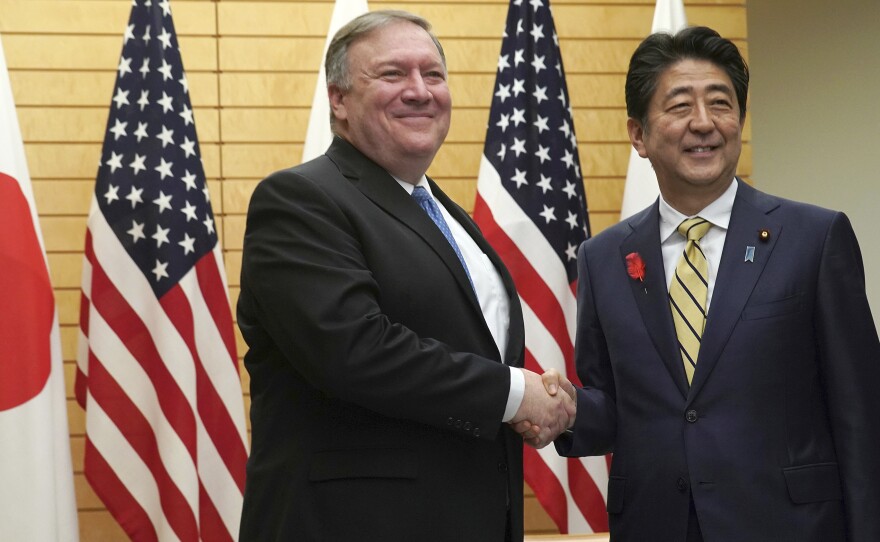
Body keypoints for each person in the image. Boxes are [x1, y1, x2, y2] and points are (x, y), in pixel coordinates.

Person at [236, 10, 574, 541]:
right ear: (339, 100)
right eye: (392, 74)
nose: (420, 91)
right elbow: (354, 350)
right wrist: (514, 394)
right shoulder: (301, 200)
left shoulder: (444, 213)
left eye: (433, 74)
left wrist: (534, 401)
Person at [545, 25, 880, 541]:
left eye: (720, 103)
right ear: (638, 134)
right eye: (679, 106)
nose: (704, 123)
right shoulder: (603, 258)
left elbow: (862, 414)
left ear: (740, 119)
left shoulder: (814, 238)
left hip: (791, 527)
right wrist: (565, 409)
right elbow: (614, 406)